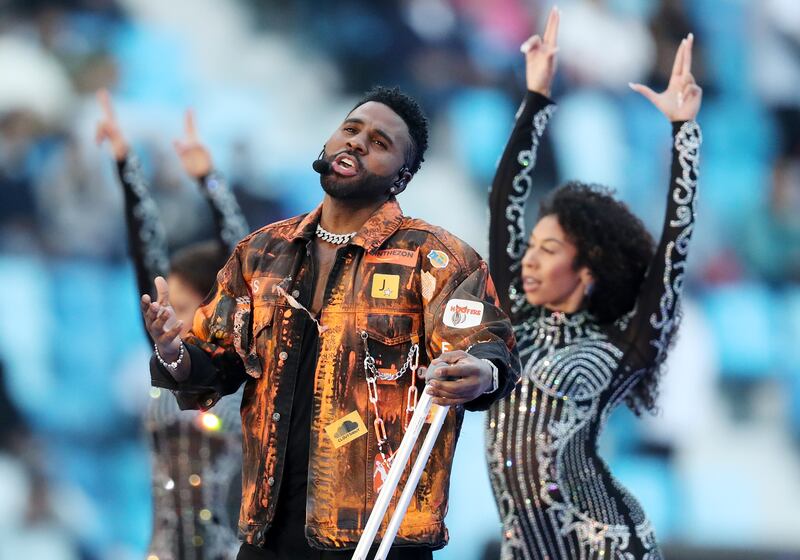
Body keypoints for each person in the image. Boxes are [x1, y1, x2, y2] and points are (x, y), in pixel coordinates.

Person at [141, 86, 521, 560]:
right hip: (267, 532)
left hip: (379, 537)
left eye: (380, 142)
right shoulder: (261, 252)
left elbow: (488, 345)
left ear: (401, 178)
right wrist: (173, 350)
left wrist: (479, 374)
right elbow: (212, 360)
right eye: (351, 129)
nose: (357, 142)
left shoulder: (436, 256)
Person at [485, 8, 702, 559]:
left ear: (587, 270)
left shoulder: (621, 344)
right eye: (531, 245)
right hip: (525, 547)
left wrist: (684, 136)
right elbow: (504, 202)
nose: (528, 259)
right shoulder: (518, 319)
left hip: (604, 546)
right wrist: (535, 97)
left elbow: (673, 250)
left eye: (549, 250)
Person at [96, 90, 250, 560]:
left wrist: (210, 181)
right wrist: (126, 167)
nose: (171, 317)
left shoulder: (242, 364)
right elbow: (145, 254)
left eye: (184, 307)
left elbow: (249, 260)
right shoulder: (170, 358)